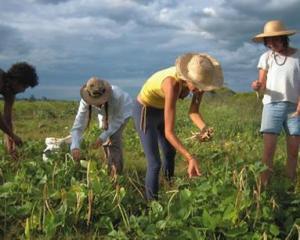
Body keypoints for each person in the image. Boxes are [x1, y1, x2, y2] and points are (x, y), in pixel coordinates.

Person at [133, 52, 224, 200]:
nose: (200, 91)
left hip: (161, 109)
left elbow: (193, 112)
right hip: (145, 111)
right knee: (155, 163)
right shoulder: (172, 84)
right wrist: (190, 157)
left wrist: (204, 128)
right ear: (187, 78)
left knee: (170, 153)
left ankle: (169, 187)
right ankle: (151, 206)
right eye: (197, 86)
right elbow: (169, 132)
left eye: (203, 87)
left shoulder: (198, 84)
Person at [251, 20, 300, 187]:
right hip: (272, 106)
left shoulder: (298, 56)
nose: (272, 44)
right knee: (268, 151)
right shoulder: (265, 58)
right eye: (268, 42)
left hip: (294, 108)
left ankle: (290, 185)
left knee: (293, 150)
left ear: (284, 38)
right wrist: (257, 86)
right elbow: (262, 85)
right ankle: (263, 188)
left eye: (276, 40)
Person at [70, 77, 133, 176]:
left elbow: (118, 120)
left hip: (123, 112)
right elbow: (78, 125)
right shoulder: (85, 101)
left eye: (100, 101)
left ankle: (116, 172)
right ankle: (108, 164)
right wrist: (75, 146)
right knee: (105, 139)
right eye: (94, 101)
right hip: (104, 115)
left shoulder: (117, 97)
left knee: (113, 139)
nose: (97, 104)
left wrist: (101, 138)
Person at [0, 62, 39, 158]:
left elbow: (7, 120)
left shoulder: (10, 93)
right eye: (24, 87)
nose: (23, 91)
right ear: (16, 82)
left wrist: (11, 147)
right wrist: (13, 136)